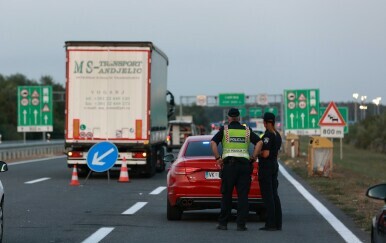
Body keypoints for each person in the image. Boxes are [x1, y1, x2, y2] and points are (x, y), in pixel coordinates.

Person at [211, 108, 262, 231]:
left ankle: (223, 223)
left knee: (226, 195)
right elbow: (259, 142)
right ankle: (241, 224)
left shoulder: (225, 130)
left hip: (229, 166)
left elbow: (213, 142)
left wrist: (218, 158)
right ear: (239, 118)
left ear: (228, 118)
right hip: (244, 166)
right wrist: (253, 157)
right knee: (243, 196)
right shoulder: (247, 130)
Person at [258, 112, 282, 231]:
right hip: (274, 165)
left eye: (264, 121)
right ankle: (278, 223)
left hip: (266, 167)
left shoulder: (268, 135)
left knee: (268, 196)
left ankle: (270, 223)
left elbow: (266, 154)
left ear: (266, 122)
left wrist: (257, 153)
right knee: (274, 195)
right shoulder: (277, 134)